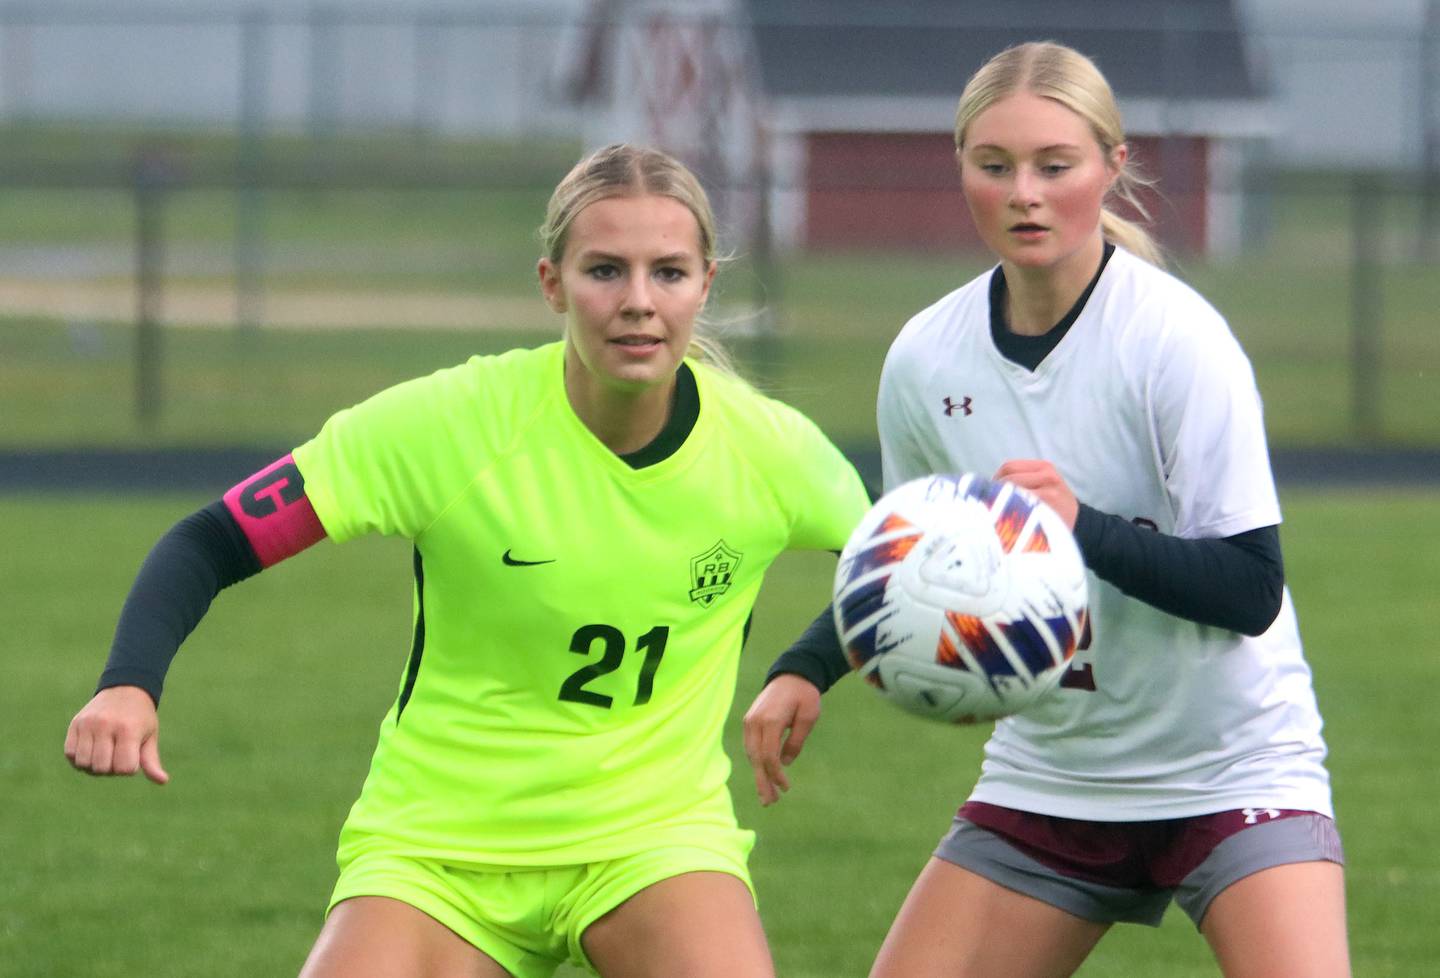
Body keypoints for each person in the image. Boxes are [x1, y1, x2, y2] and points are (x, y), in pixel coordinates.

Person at [64, 142, 871, 978]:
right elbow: (212, 539)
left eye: (667, 273)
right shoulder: (453, 426)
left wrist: (806, 668)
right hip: (438, 848)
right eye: (604, 271)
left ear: (706, 282)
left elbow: (906, 568)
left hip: (655, 841)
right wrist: (129, 681)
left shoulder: (771, 451)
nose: (638, 302)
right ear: (551, 283)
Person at [743, 41, 1350, 978]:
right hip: (1052, 775)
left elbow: (1251, 589)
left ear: (1111, 165)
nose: (1024, 192)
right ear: (963, 174)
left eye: (1054, 166)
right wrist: (806, 667)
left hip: (1232, 771)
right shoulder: (927, 359)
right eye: (995, 167)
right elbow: (915, 566)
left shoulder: (1176, 340)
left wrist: (1078, 527)